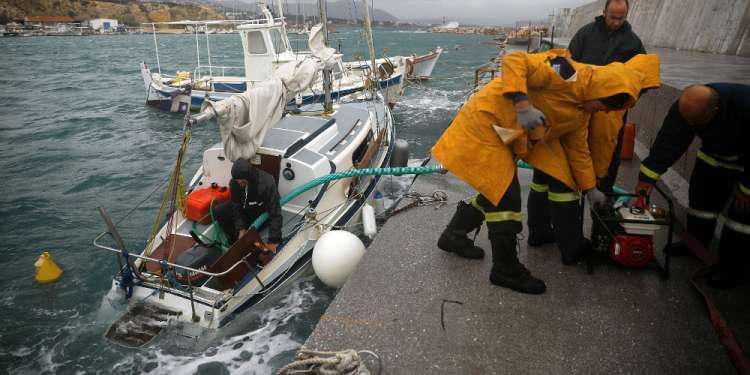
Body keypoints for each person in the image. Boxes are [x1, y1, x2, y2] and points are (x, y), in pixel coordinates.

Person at [433, 49, 659, 294]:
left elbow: (578, 151)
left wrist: (590, 187)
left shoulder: (581, 113)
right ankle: (505, 269)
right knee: (507, 199)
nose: (601, 112)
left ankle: (453, 235)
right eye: (603, 106)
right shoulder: (566, 73)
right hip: (485, 123)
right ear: (600, 91)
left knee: (495, 190)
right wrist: (522, 104)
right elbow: (515, 60)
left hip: (507, 136)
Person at [525, 0, 647, 264]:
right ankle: (547, 233)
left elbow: (641, 81)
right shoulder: (585, 34)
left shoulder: (633, 43)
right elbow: (564, 64)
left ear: (627, 15)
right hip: (576, 104)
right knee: (554, 174)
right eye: (612, 16)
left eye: (621, 17)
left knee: (600, 166)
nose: (616, 21)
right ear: (603, 13)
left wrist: (616, 104)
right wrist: (568, 92)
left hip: (606, 113)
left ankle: (599, 231)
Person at [635, 83, 750, 289]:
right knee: (701, 205)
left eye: (695, 123)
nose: (689, 125)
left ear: (715, 111)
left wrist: (747, 189)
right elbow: (667, 143)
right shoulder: (686, 107)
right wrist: (647, 178)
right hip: (713, 157)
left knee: (740, 222)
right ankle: (695, 244)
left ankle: (731, 268)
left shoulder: (744, 106)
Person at [213, 158, 282, 253]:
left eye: (242, 181)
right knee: (219, 211)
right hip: (245, 211)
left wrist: (273, 241)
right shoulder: (234, 183)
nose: (239, 183)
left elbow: (275, 213)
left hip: (260, 215)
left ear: (249, 176)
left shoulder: (267, 182)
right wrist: (241, 228)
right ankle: (235, 242)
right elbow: (236, 206)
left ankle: (251, 241)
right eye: (237, 181)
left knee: (269, 218)